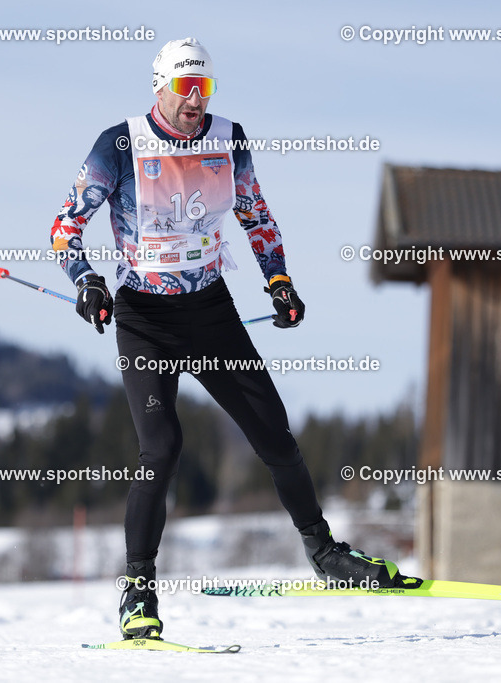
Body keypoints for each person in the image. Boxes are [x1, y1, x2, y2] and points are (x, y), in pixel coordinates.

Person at [51, 37, 419, 640]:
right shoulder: (116, 146)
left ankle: (325, 554)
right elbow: (65, 228)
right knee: (161, 446)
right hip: (144, 319)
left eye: (205, 88)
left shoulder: (230, 138)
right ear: (159, 87)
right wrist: (88, 282)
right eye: (184, 88)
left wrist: (279, 281)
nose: (195, 100)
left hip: (211, 314)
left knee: (274, 433)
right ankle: (138, 590)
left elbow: (255, 214)